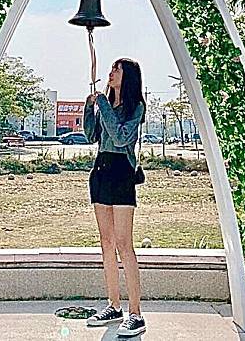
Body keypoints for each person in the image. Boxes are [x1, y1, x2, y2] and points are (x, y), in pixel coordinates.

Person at [83, 58, 146, 337]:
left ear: (127, 76)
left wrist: (103, 104)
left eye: (116, 69)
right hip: (101, 171)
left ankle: (136, 313)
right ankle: (114, 305)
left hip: (122, 173)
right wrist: (89, 108)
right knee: (106, 243)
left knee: (124, 244)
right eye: (110, 69)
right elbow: (91, 136)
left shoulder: (136, 107)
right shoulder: (106, 105)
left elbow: (121, 138)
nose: (110, 73)